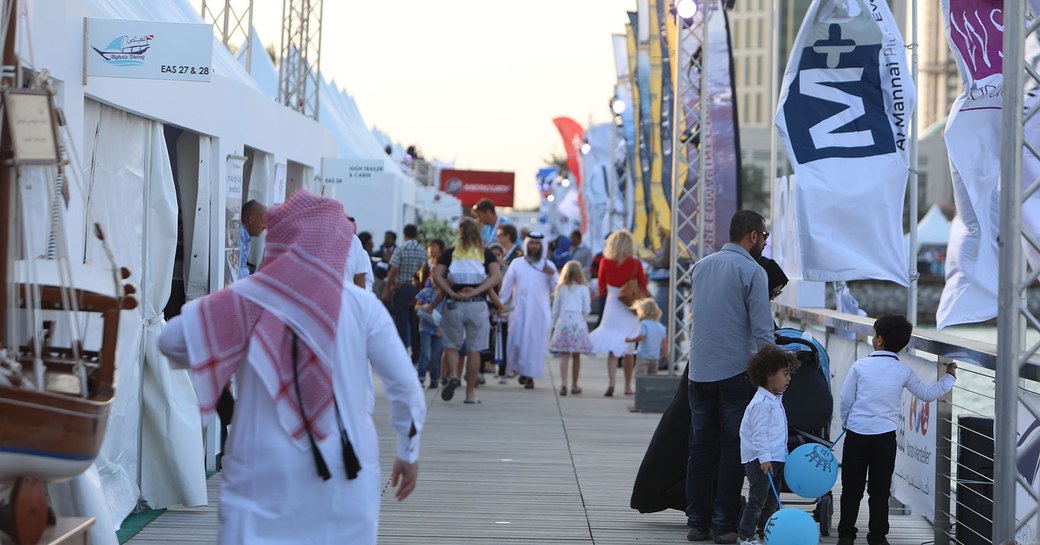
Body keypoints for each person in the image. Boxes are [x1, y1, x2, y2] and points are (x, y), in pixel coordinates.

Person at [157, 190, 426, 545]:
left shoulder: (247, 298)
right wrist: (409, 453)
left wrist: (226, 368)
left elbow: (171, 341)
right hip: (345, 470)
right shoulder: (363, 306)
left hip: (260, 472)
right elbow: (406, 388)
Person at [686, 210, 775, 544]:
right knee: (732, 449)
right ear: (752, 235)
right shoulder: (752, 271)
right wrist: (772, 374)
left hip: (699, 372)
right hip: (736, 372)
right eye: (764, 236)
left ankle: (697, 522)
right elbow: (763, 331)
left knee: (700, 449)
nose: (765, 242)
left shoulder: (702, 266)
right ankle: (724, 525)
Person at [837, 315, 957, 545]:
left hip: (857, 435)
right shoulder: (902, 371)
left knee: (851, 488)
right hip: (884, 438)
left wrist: (847, 422)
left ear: (879, 340)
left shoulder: (860, 366)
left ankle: (845, 535)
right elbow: (927, 394)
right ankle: (878, 536)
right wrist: (949, 377)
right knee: (880, 490)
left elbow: (845, 400)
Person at [434, 217, 502, 404]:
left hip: (453, 304)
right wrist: (477, 289)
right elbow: (496, 276)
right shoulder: (486, 253)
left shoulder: (450, 253)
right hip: (477, 304)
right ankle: (470, 394)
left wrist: (450, 291)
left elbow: (437, 275)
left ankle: (454, 374)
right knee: (475, 349)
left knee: (451, 345)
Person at [738, 346, 800, 545]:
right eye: (785, 374)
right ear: (769, 375)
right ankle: (745, 535)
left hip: (775, 458)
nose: (789, 379)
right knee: (757, 500)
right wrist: (764, 459)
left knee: (772, 500)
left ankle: (765, 532)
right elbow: (758, 435)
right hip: (761, 460)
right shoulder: (761, 403)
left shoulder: (774, 399)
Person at [588, 229, 646, 397]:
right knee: (629, 348)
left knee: (613, 347)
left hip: (612, 303)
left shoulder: (606, 261)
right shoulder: (636, 263)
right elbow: (642, 284)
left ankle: (612, 382)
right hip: (630, 306)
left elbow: (601, 284)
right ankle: (628, 385)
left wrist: (612, 291)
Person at [500, 232, 558, 390]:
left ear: (542, 246)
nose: (534, 246)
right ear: (527, 245)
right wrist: (499, 304)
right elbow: (506, 286)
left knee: (534, 345)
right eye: (531, 243)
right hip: (520, 310)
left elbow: (557, 288)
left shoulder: (549, 266)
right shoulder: (517, 264)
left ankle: (530, 375)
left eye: (537, 244)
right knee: (517, 341)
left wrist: (552, 275)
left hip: (539, 313)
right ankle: (520, 371)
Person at [383, 224, 427, 358]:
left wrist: (387, 290)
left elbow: (393, 270)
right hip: (416, 290)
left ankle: (401, 353)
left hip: (401, 289)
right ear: (416, 234)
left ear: (404, 234)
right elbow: (424, 272)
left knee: (401, 322)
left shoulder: (401, 249)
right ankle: (416, 354)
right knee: (415, 323)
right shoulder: (422, 251)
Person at [549, 260, 592, 396]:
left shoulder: (561, 289)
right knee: (576, 356)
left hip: (563, 322)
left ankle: (563, 384)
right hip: (577, 322)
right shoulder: (584, 289)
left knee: (564, 355)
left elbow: (555, 309)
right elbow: (586, 309)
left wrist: (554, 325)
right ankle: (574, 384)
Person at [415, 274, 443, 390]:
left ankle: (434, 379)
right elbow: (416, 307)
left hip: (439, 329)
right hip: (425, 327)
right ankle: (420, 378)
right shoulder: (425, 292)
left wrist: (443, 327)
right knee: (425, 353)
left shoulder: (445, 294)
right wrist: (424, 307)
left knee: (436, 356)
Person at [625, 299, 667, 376]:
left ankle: (641, 388)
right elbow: (664, 342)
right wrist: (665, 354)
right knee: (652, 377)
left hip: (643, 356)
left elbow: (641, 337)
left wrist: (629, 340)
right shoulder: (660, 326)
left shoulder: (644, 324)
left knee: (640, 376)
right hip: (655, 357)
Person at [239, 200, 266, 279]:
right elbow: (235, 272)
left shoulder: (246, 236)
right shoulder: (238, 235)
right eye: (263, 221)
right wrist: (248, 271)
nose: (265, 227)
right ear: (251, 220)